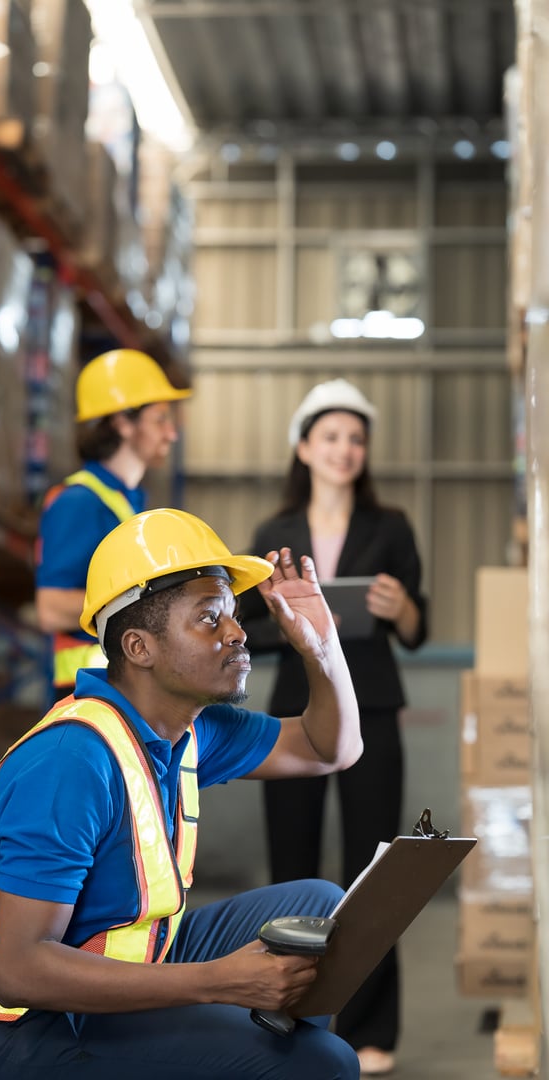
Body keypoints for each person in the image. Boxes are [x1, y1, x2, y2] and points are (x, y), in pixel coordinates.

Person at [0, 507, 363, 1080]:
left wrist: (321, 646)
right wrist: (218, 982)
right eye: (209, 618)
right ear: (138, 647)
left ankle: (258, 1056)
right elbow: (19, 971)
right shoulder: (72, 761)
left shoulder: (189, 727)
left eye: (233, 614)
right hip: (10, 1032)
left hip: (108, 975)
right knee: (322, 1065)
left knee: (317, 912)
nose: (237, 632)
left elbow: (330, 749)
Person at [241, 378, 428, 1077]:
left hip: (372, 707)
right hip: (295, 709)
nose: (345, 449)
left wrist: (399, 606)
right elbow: (247, 632)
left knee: (373, 868)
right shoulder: (273, 535)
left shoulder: (393, 527)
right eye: (331, 437)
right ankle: (283, 1016)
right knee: (291, 867)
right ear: (304, 447)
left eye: (356, 438)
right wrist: (297, 623)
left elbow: (417, 629)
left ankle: (372, 1028)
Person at [35, 348, 192, 696]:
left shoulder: (127, 504)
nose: (171, 433)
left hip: (123, 691)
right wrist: (151, 596)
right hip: (87, 696)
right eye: (160, 419)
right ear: (123, 422)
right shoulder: (78, 502)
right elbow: (50, 608)